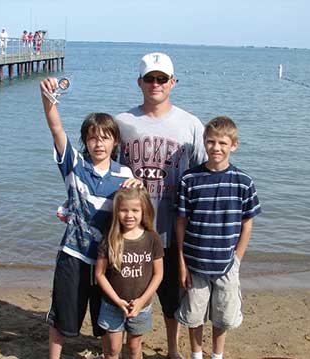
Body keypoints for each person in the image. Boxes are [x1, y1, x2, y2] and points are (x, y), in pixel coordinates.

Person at [115, 52, 207, 358]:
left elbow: (205, 175)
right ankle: (129, 347)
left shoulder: (191, 125)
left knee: (171, 294)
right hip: (131, 230)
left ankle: (172, 349)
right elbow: (101, 166)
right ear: (139, 82)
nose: (156, 84)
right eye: (150, 78)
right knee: (128, 290)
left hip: (170, 230)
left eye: (162, 79)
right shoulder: (122, 122)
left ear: (173, 82)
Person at [39, 77, 140, 359]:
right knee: (63, 316)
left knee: (107, 323)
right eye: (93, 137)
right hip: (73, 255)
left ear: (115, 141)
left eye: (105, 137)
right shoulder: (74, 165)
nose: (99, 143)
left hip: (108, 260)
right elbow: (55, 127)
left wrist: (139, 190)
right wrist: (48, 97)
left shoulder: (126, 175)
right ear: (85, 140)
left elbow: (134, 215)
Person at [175, 116, 262, 359]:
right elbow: (180, 222)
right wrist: (182, 262)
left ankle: (217, 355)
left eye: (223, 143)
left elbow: (247, 223)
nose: (216, 148)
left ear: (234, 145)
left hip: (227, 264)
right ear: (204, 142)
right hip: (195, 263)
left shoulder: (243, 182)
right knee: (193, 315)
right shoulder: (190, 180)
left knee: (223, 315)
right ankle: (196, 354)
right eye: (211, 142)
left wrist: (237, 259)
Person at [95, 187, 164, 359]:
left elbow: (158, 274)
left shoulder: (152, 238)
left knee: (134, 347)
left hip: (141, 306)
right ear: (116, 211)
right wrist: (117, 301)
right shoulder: (110, 238)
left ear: (144, 211)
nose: (129, 215)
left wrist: (141, 302)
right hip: (112, 305)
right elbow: (99, 274)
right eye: (124, 210)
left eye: (135, 210)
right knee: (113, 349)